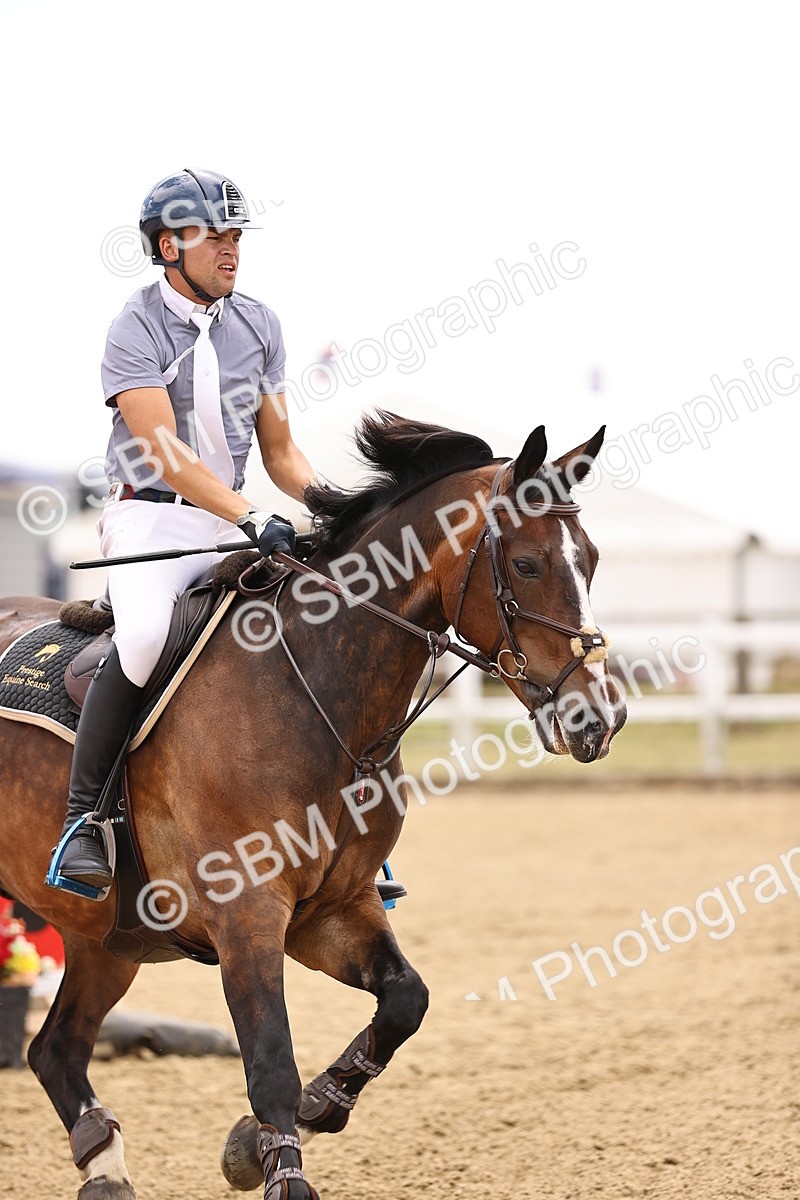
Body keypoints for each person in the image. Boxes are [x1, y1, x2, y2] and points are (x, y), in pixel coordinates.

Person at [48, 168, 314, 892]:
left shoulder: (260, 324)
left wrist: (331, 503)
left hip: (231, 517)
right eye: (215, 237)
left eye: (237, 237)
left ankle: (338, 824)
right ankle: (84, 819)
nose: (232, 250)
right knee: (140, 638)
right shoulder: (134, 326)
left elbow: (282, 453)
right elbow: (166, 450)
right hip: (151, 518)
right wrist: (250, 517)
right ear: (169, 245)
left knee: (316, 627)